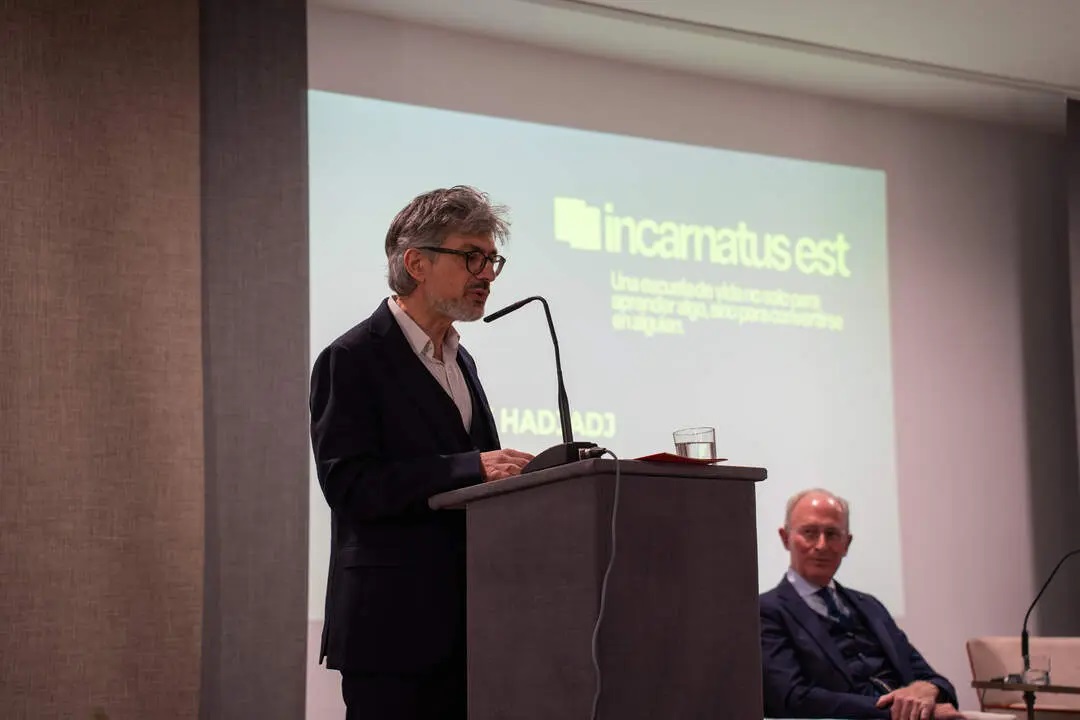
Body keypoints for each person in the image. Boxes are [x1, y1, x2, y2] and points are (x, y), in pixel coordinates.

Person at [309, 185, 535, 720]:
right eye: (471, 257)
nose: (487, 274)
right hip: (392, 631)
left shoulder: (461, 360)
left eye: (492, 259)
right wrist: (471, 467)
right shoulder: (352, 357)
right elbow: (349, 485)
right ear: (416, 263)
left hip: (470, 628)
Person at [759, 488, 963, 720]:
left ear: (847, 543)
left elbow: (935, 681)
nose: (821, 545)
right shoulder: (766, 611)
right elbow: (792, 698)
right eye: (809, 532)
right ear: (785, 538)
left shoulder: (870, 606)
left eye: (832, 534)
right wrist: (899, 712)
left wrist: (928, 690)